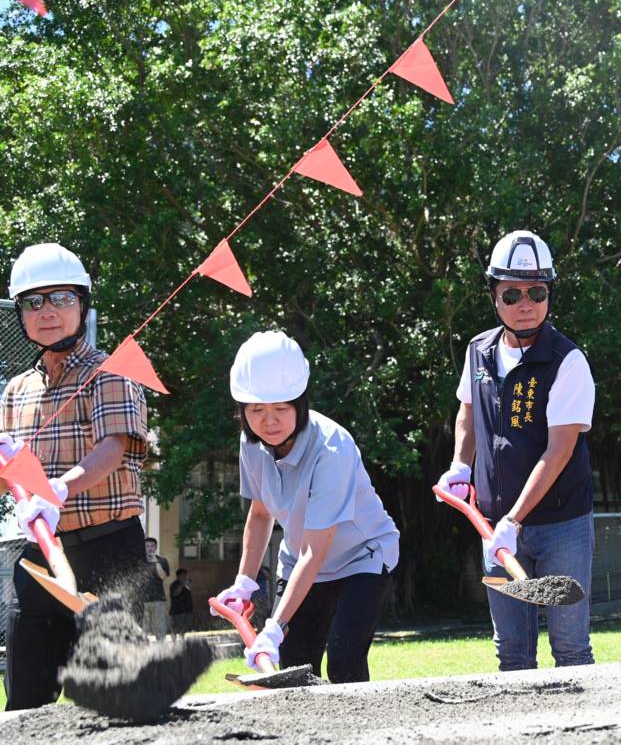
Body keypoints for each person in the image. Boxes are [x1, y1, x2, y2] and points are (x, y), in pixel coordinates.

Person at [436, 230, 596, 671]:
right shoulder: (478, 351)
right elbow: (467, 412)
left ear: (549, 294)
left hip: (561, 523)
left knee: (570, 647)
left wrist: (515, 520)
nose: (525, 303)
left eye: (537, 291)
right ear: (494, 295)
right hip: (494, 522)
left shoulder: (568, 361)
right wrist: (459, 466)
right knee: (512, 653)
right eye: (512, 293)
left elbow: (559, 450)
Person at [1, 243, 150, 710]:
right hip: (39, 557)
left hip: (109, 552)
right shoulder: (15, 390)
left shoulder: (111, 373)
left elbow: (113, 448)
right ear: (21, 314)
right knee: (25, 695)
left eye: (61, 298)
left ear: (82, 305)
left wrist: (59, 488)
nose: (47, 311)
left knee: (110, 697)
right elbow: (10, 474)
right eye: (33, 302)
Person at [212, 331, 400, 683]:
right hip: (298, 561)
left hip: (362, 559)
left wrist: (273, 627)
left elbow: (315, 551)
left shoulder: (332, 448)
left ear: (301, 402)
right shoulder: (251, 444)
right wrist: (244, 583)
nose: (269, 421)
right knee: (296, 664)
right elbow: (261, 511)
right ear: (242, 410)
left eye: (281, 408)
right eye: (256, 410)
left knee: (343, 660)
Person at [141, 536, 170, 640]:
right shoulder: (141, 561)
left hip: (158, 599)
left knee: (160, 628)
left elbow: (162, 576)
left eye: (152, 546)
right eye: (147, 546)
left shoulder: (162, 561)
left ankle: (161, 649)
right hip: (142, 601)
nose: (150, 548)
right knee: (143, 628)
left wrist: (156, 562)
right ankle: (143, 649)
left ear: (156, 547)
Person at [169, 568, 193, 639]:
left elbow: (189, 589)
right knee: (176, 627)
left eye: (185, 575)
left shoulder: (187, 585)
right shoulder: (174, 585)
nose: (184, 577)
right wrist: (182, 584)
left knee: (185, 626)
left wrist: (187, 585)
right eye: (182, 575)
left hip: (187, 610)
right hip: (177, 611)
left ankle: (182, 639)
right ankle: (174, 642)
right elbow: (175, 593)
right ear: (178, 576)